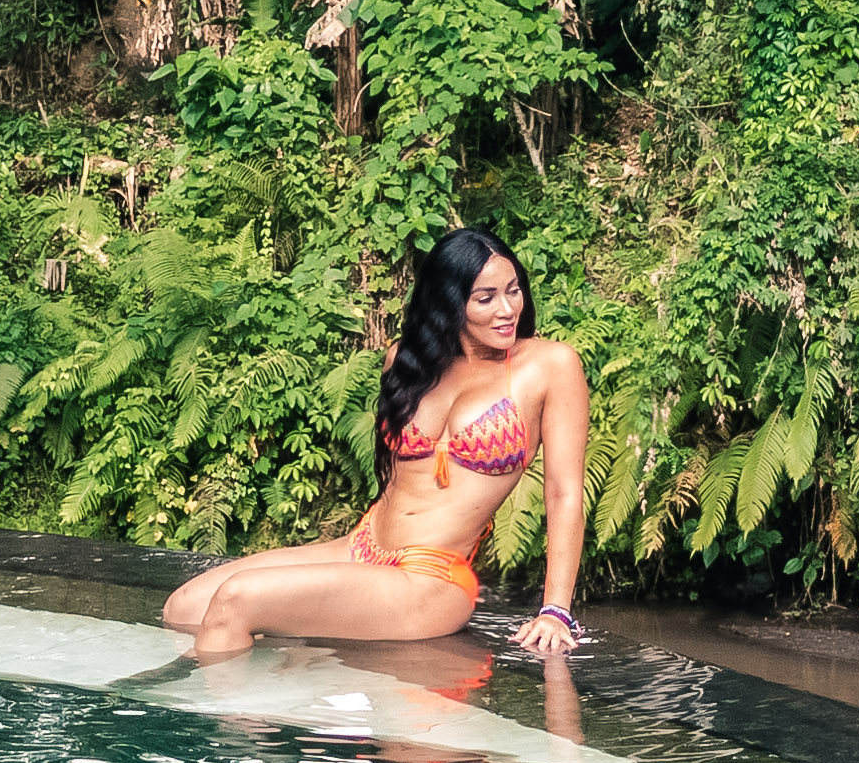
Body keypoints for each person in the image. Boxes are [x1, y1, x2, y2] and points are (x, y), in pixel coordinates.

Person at [158, 225, 587, 662]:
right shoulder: (407, 361)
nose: (506, 309)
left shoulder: (548, 366)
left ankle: (209, 727)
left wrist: (555, 611)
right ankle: (258, 702)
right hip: (361, 548)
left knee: (236, 600)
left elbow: (564, 492)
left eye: (513, 291)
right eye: (486, 298)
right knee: (185, 607)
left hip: (433, 579)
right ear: (448, 302)